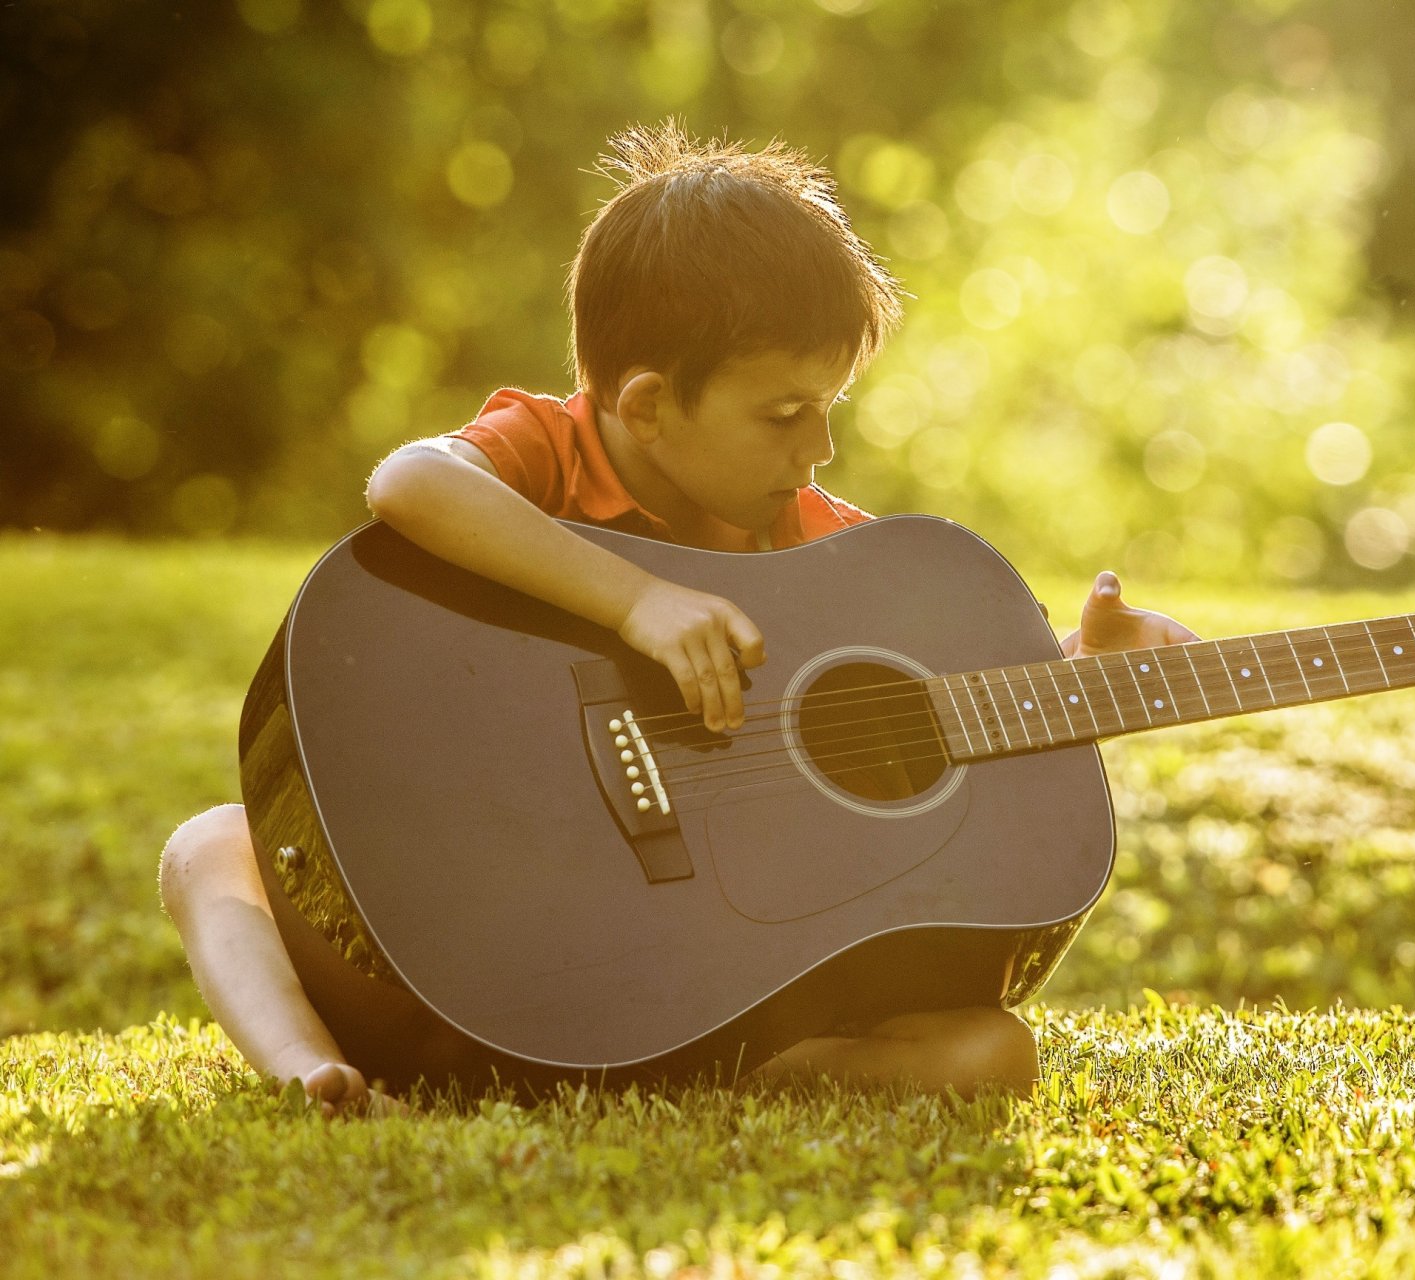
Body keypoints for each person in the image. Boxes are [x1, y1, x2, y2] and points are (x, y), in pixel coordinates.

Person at [158, 122, 1198, 1116]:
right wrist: (639, 600)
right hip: (426, 966)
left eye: (829, 406)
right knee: (212, 846)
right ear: (647, 404)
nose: (819, 449)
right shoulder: (549, 450)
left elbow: (913, 723)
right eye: (785, 414)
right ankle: (308, 1064)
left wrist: (1077, 679)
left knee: (990, 1053)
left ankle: (722, 1067)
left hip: (661, 980)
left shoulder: (829, 553)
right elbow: (410, 482)